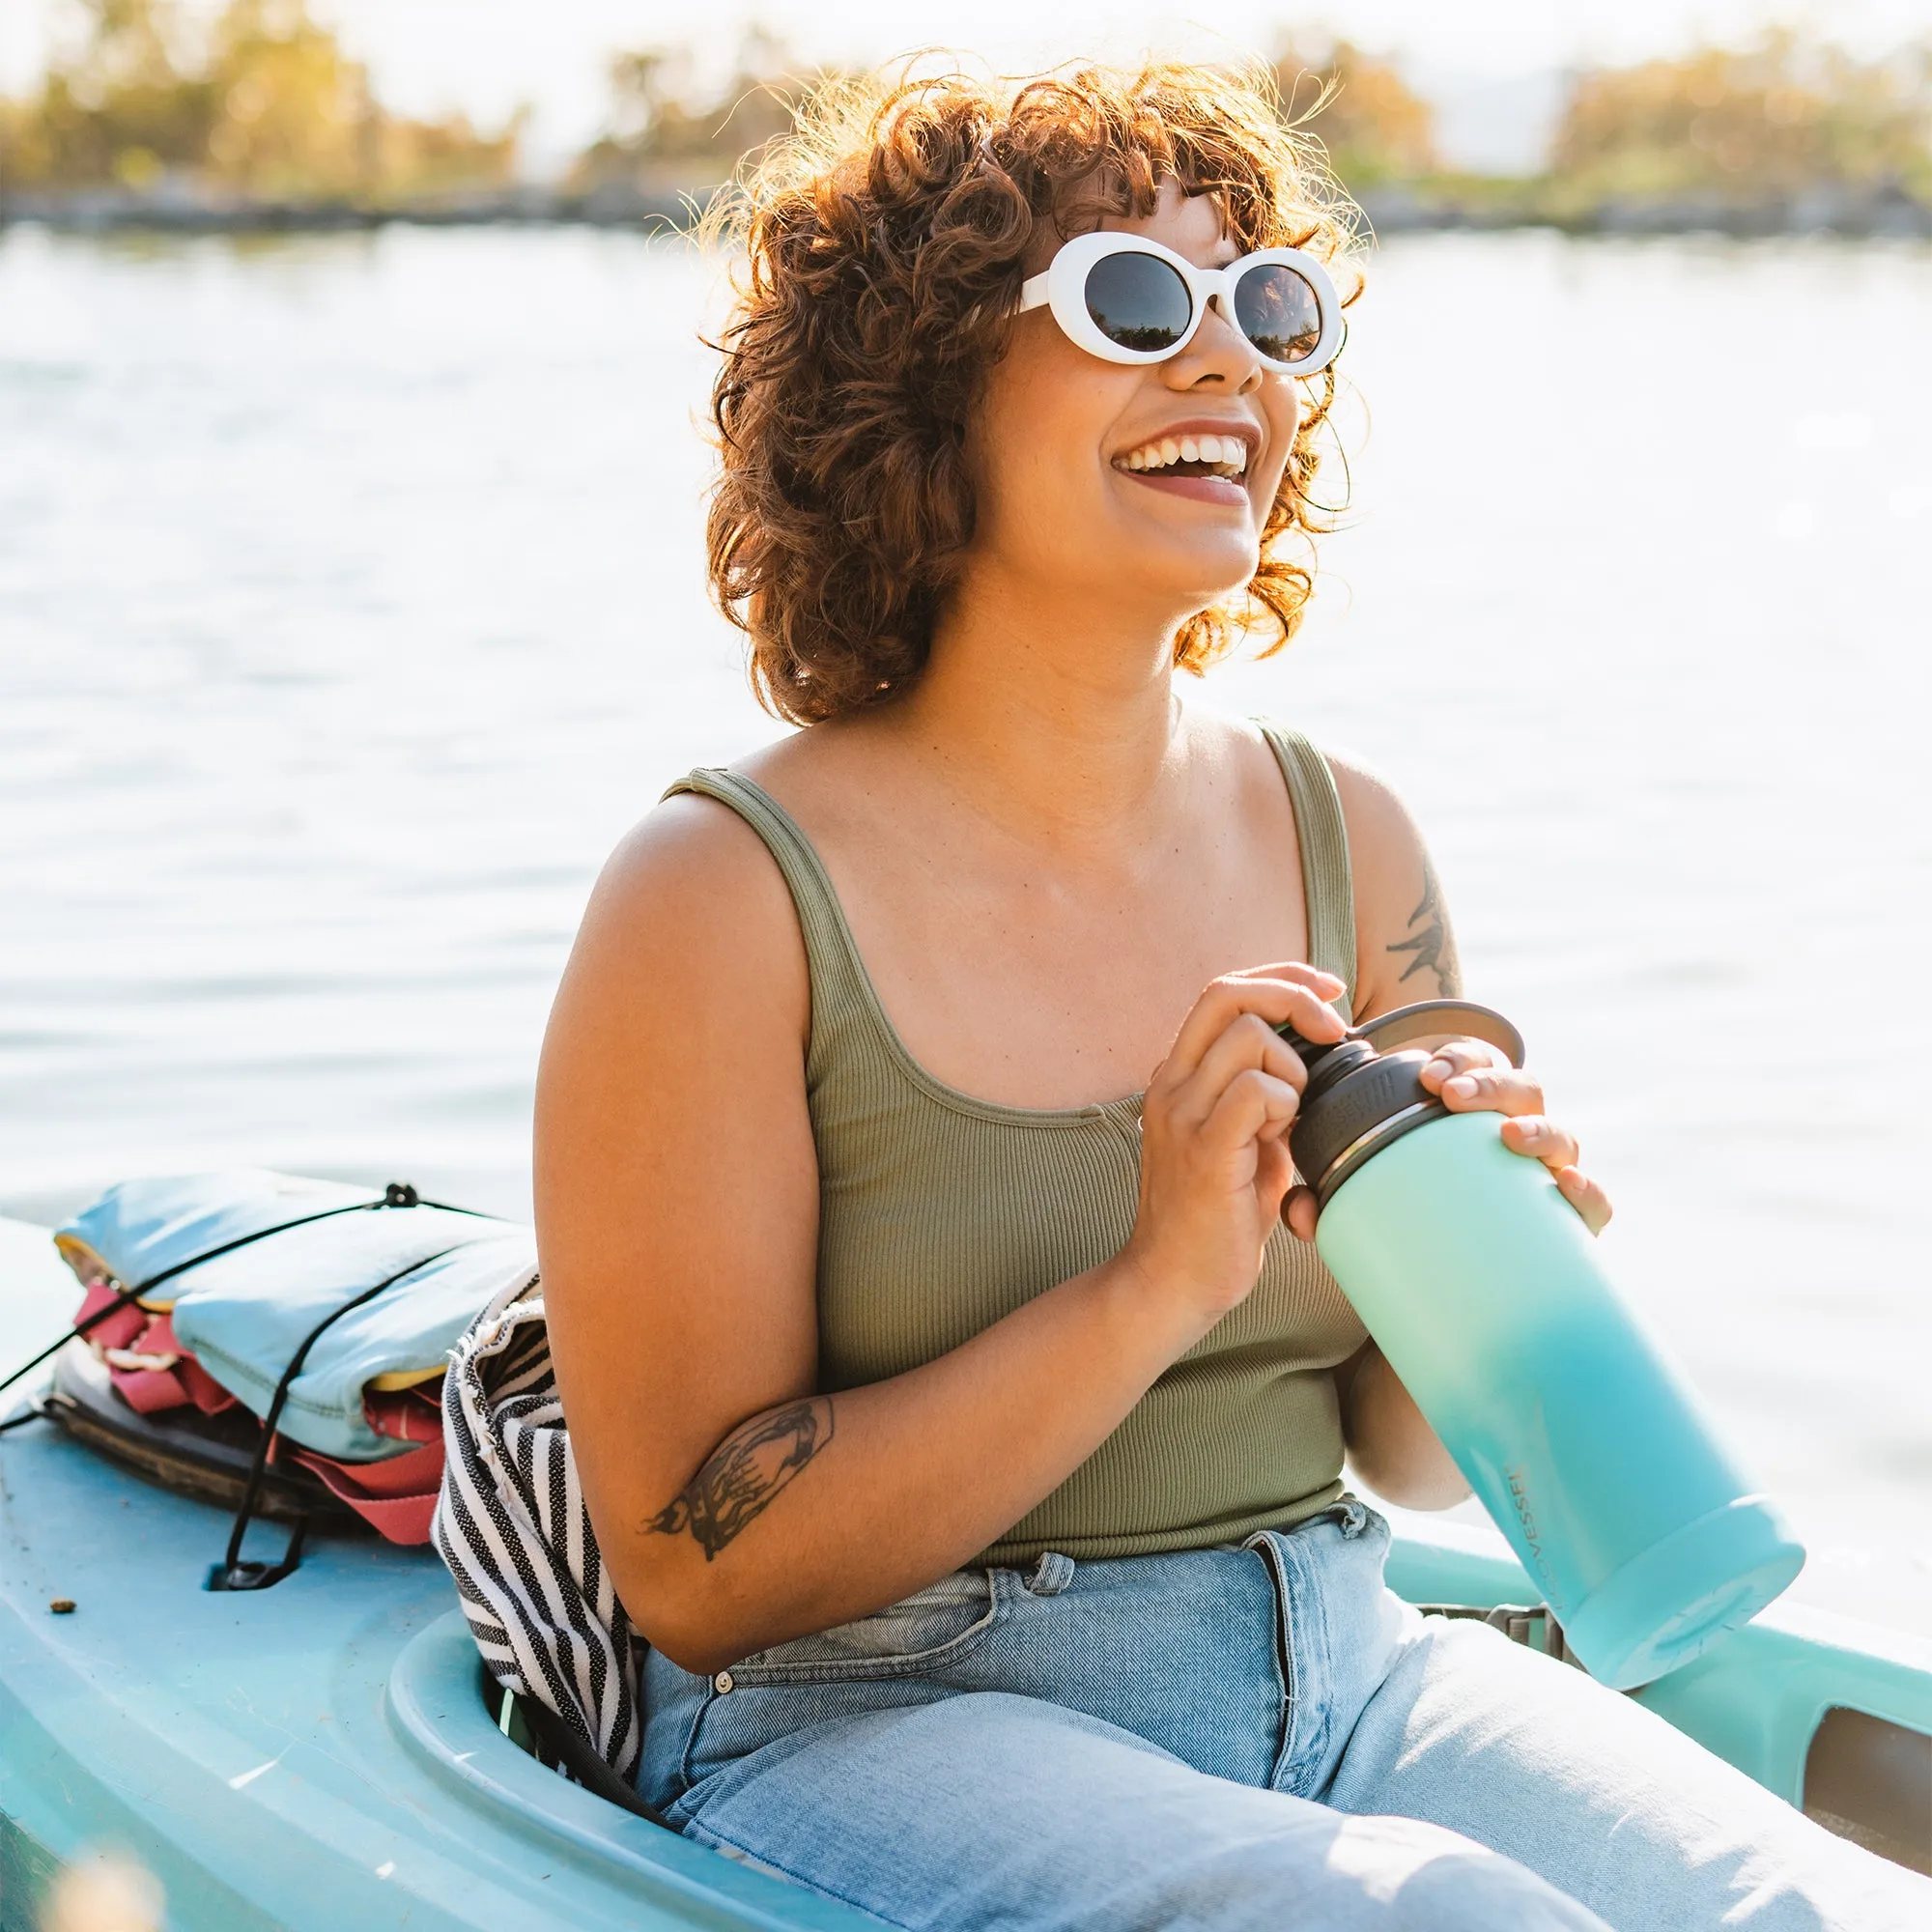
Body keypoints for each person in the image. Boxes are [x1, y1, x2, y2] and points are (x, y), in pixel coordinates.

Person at [533, 61, 1928, 1931]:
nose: (1231, 366)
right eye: (1133, 300)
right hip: (880, 1712)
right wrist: (1154, 1276)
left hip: (1340, 1649)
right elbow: (696, 1576)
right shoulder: (715, 895)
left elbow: (1408, 1456)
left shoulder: (1348, 834)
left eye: (1267, 307)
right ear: (918, 386)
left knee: (1804, 1911)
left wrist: (1494, 1260)